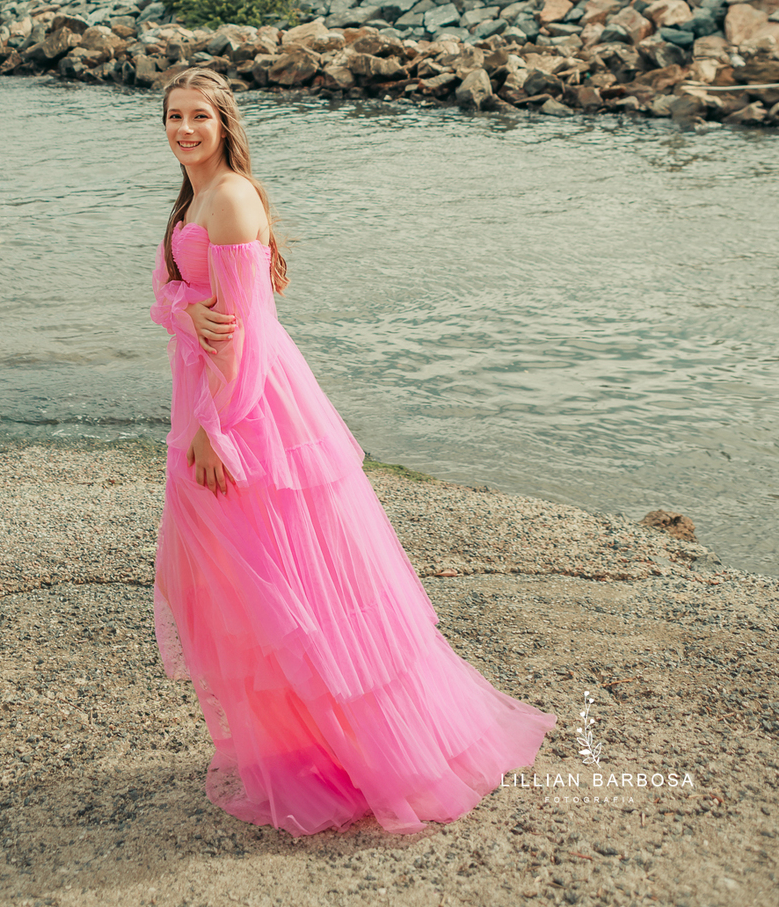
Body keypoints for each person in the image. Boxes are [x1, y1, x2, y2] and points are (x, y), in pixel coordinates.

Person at [150, 67, 555, 838]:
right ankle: (307, 737)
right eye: (174, 116)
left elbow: (247, 332)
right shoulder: (192, 199)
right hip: (211, 396)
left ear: (224, 123)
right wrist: (184, 309)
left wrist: (215, 430)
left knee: (288, 580)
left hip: (243, 407)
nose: (185, 129)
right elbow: (172, 298)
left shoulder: (230, 197)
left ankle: (375, 747)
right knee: (248, 580)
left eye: (199, 115)